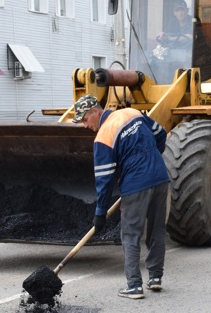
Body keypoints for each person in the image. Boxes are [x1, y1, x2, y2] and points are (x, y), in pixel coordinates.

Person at [72, 94, 170, 300]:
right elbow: (161, 134)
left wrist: (100, 213)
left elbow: (104, 180)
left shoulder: (103, 137)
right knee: (156, 230)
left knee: (131, 234)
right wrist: (152, 158)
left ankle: (134, 285)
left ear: (95, 112)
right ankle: (155, 278)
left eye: (84, 119)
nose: (84, 125)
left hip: (136, 185)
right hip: (161, 178)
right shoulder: (133, 113)